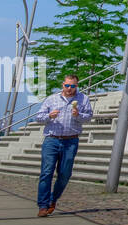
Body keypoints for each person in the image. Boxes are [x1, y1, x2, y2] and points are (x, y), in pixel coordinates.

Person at [32, 74, 95, 216]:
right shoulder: (52, 99)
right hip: (51, 140)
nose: (69, 88)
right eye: (67, 85)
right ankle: (43, 205)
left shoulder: (83, 99)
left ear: (77, 86)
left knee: (65, 174)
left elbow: (89, 117)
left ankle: (53, 199)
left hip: (70, 141)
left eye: (72, 86)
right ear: (63, 85)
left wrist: (78, 115)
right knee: (46, 172)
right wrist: (49, 116)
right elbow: (38, 117)